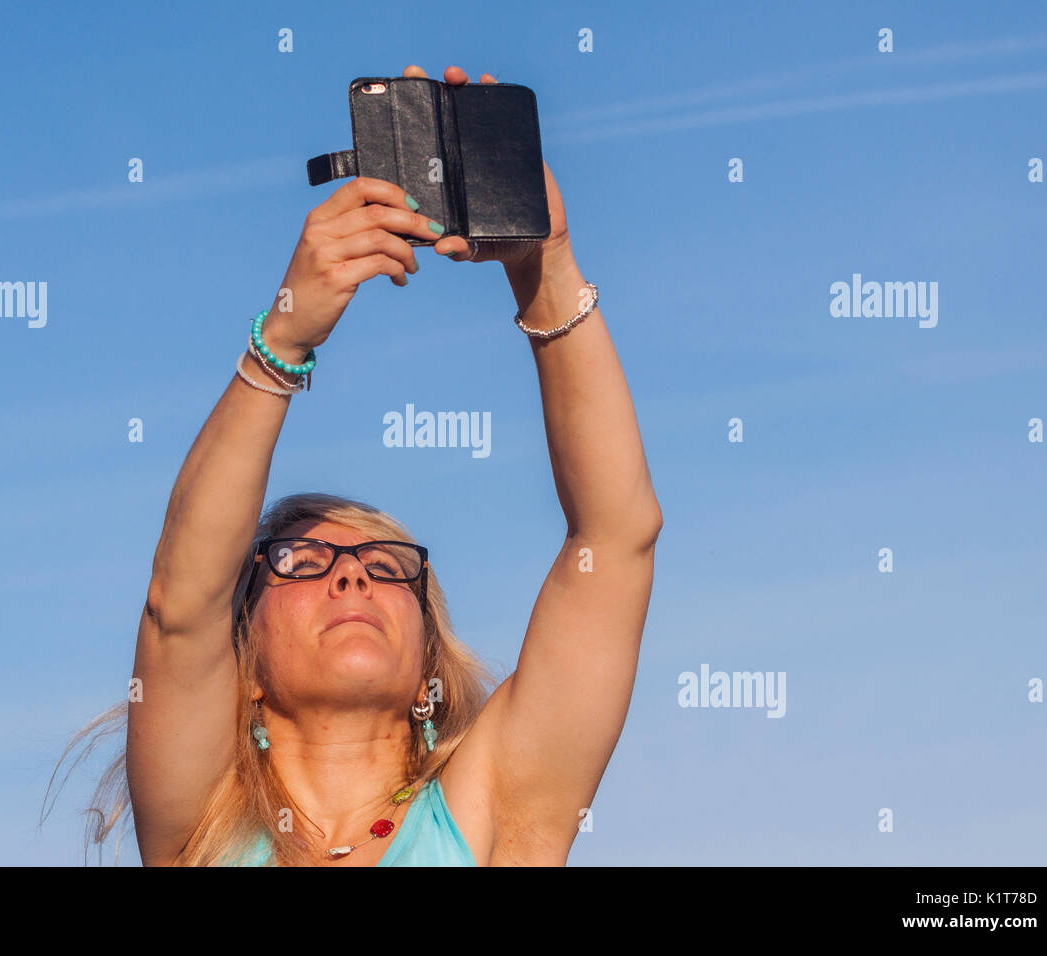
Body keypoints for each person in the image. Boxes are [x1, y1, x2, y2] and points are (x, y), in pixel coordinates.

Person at [43, 64, 662, 866]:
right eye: (300, 562)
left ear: (426, 666)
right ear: (246, 664)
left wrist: (547, 267)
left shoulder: (495, 811)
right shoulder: (203, 829)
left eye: (386, 565)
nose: (353, 578)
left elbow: (615, 539)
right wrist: (285, 337)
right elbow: (179, 606)